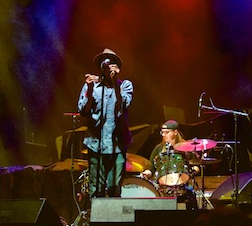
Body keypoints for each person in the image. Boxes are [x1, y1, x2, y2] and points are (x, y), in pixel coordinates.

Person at [78, 49, 133, 198]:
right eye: (105, 61)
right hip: (96, 143)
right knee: (96, 188)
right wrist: (90, 90)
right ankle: (96, 212)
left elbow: (123, 105)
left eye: (111, 62)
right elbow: (83, 111)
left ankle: (114, 213)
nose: (108, 65)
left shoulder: (125, 85)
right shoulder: (92, 86)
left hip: (117, 144)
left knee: (114, 187)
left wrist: (114, 83)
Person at [141, 120, 187, 186]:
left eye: (167, 132)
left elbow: (195, 166)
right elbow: (151, 169)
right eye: (162, 132)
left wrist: (194, 170)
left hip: (181, 183)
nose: (163, 135)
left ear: (175, 132)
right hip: (162, 185)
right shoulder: (159, 148)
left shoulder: (185, 147)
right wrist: (147, 173)